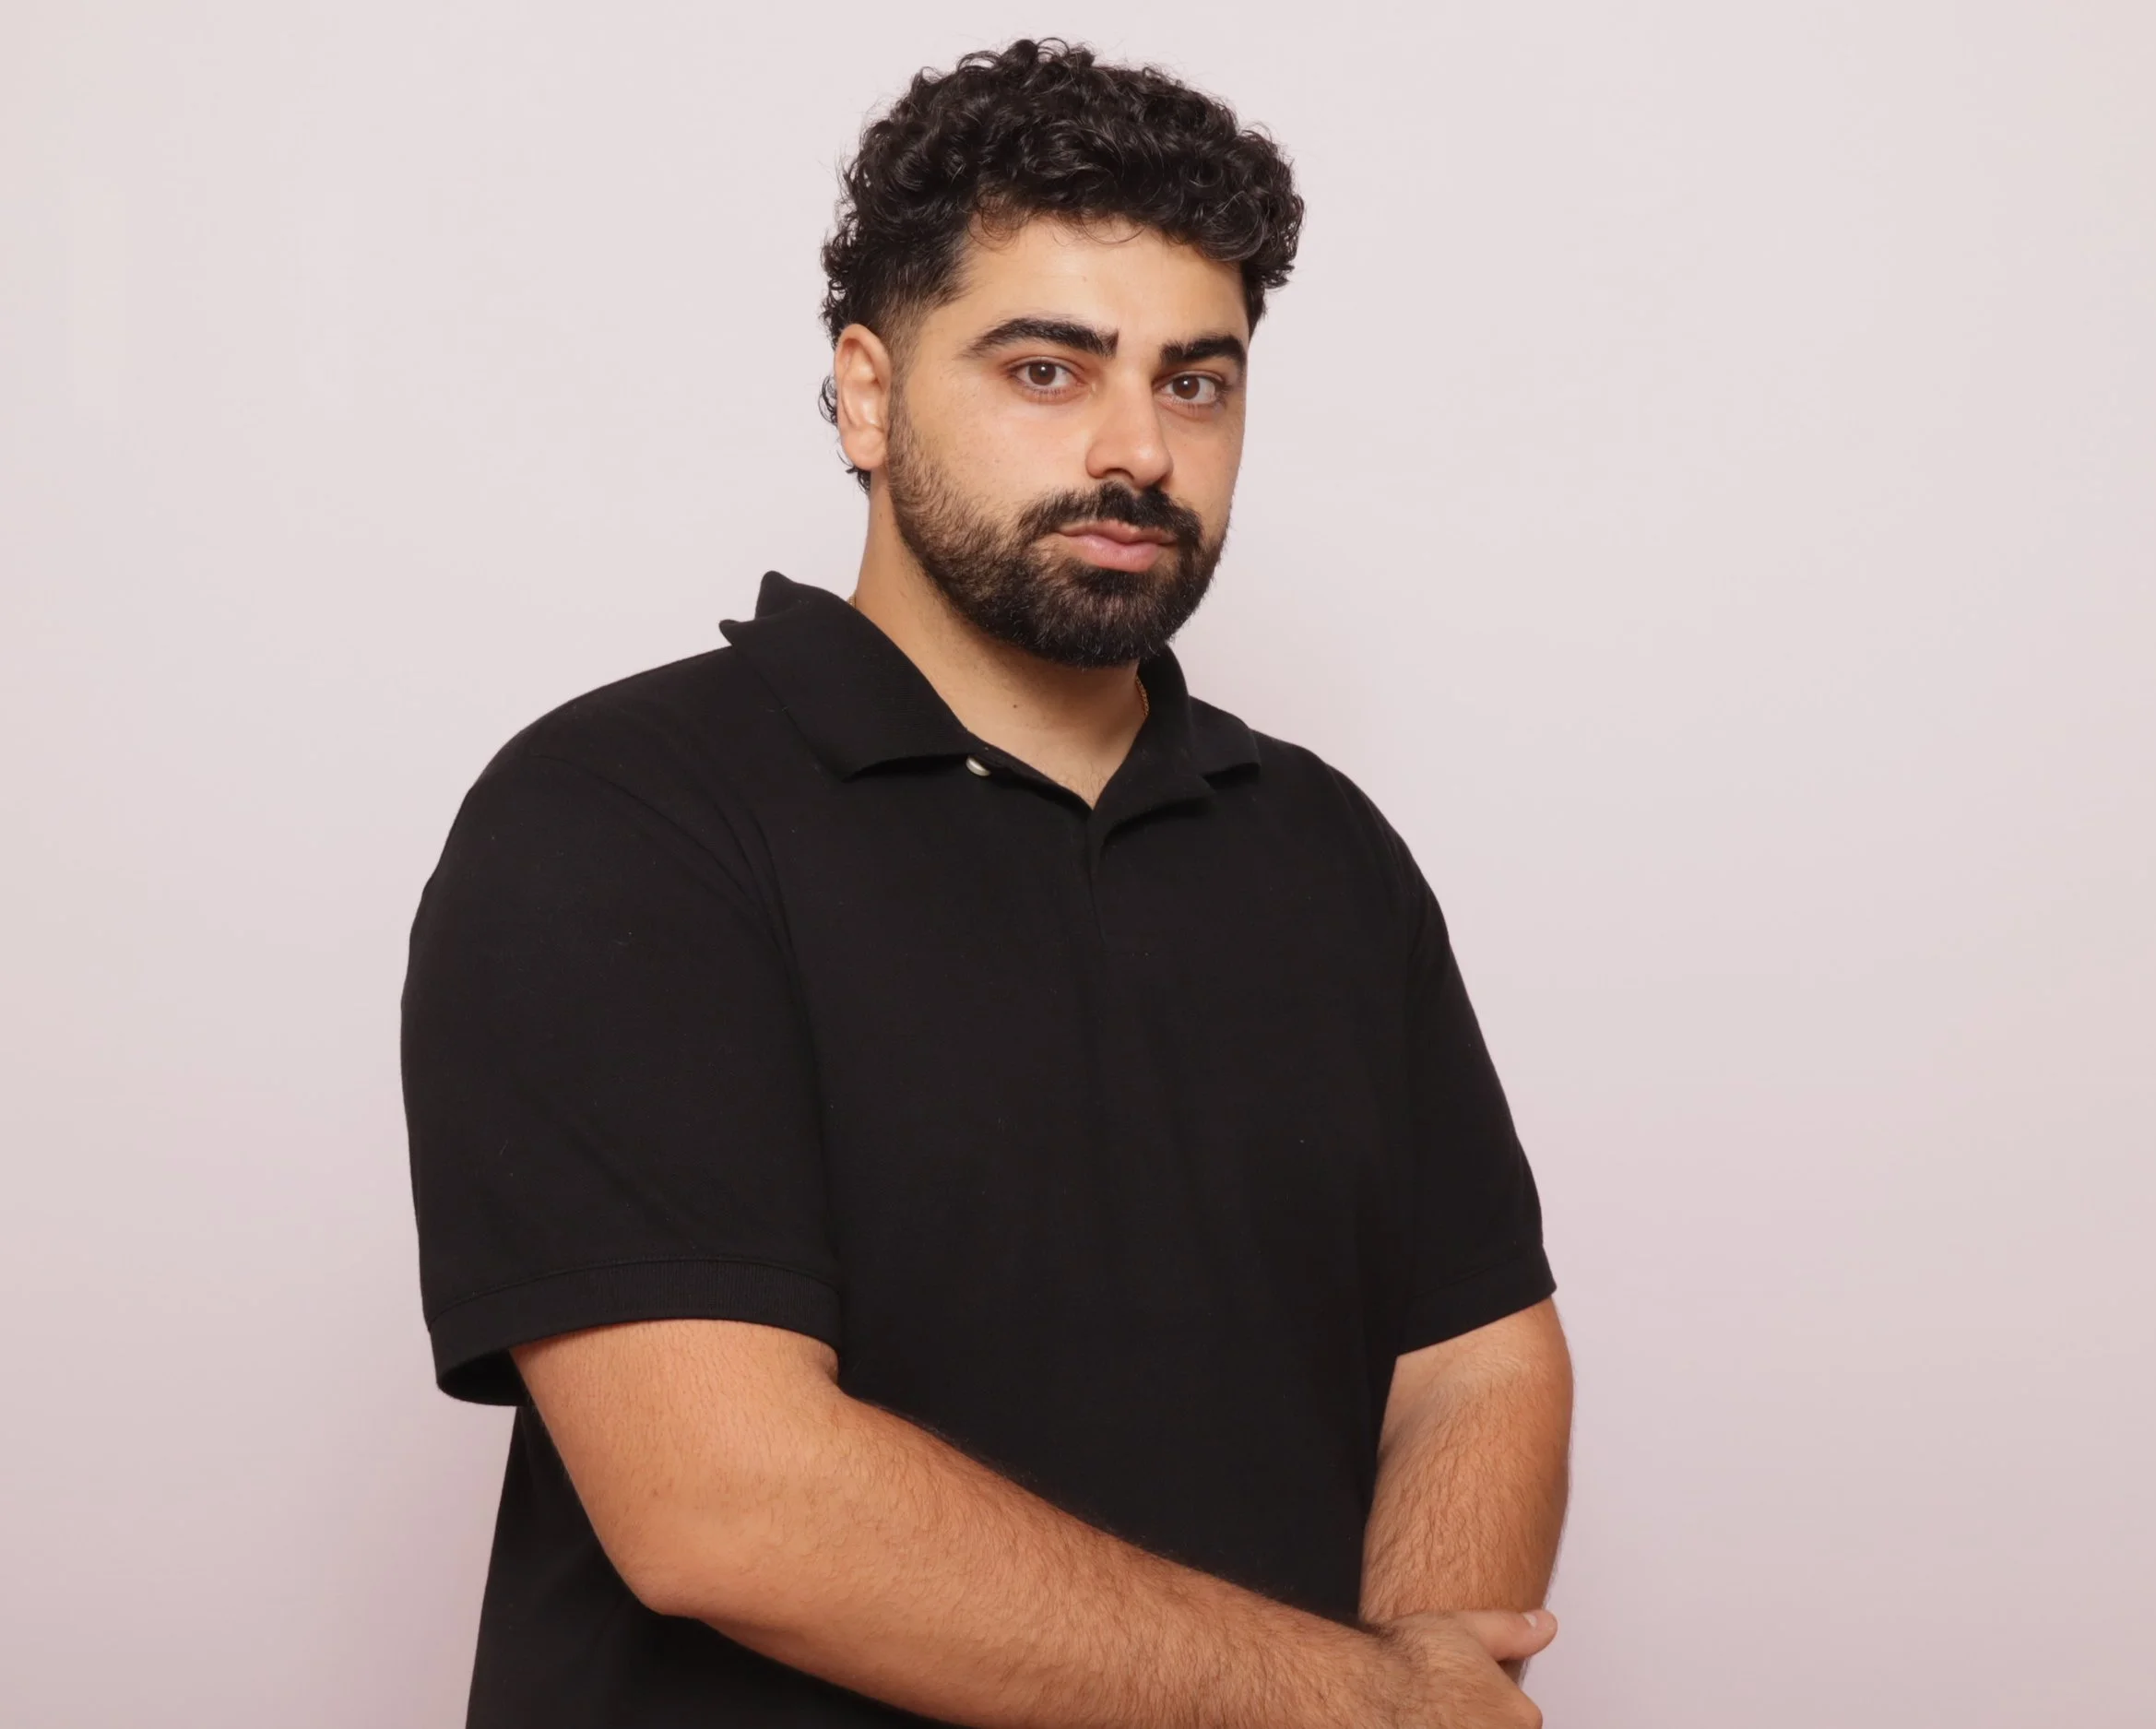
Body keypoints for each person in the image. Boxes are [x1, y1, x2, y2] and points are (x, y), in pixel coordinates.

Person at [402, 37, 1572, 1729]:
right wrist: (1358, 1703)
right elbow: (725, 1505)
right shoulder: (619, 814)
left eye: (1194, 380)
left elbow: (1476, 1353)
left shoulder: (1324, 847)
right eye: (1047, 370)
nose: (1139, 450)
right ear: (867, 394)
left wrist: (1428, 1673)